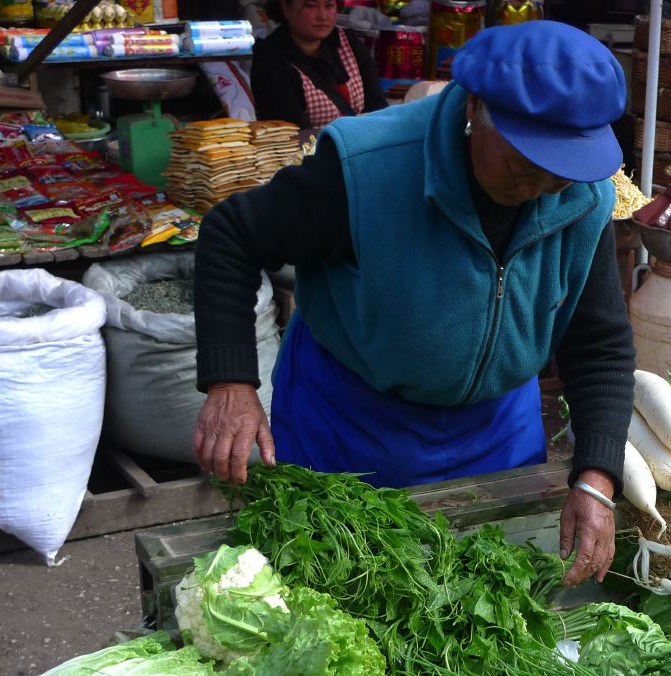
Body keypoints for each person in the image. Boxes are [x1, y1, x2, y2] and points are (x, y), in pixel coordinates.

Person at [193, 21, 636, 588]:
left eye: (563, 168)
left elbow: (598, 341)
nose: (543, 184)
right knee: (343, 600)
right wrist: (231, 384)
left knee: (482, 613)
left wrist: (595, 478)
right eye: (527, 163)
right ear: (476, 108)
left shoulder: (583, 195)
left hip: (496, 433)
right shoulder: (368, 168)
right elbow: (232, 235)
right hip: (352, 430)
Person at [249, 0, 387, 131]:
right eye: (311, 5)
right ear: (286, 7)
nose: (322, 16)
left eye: (329, 5)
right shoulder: (269, 60)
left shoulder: (349, 43)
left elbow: (378, 109)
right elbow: (291, 131)